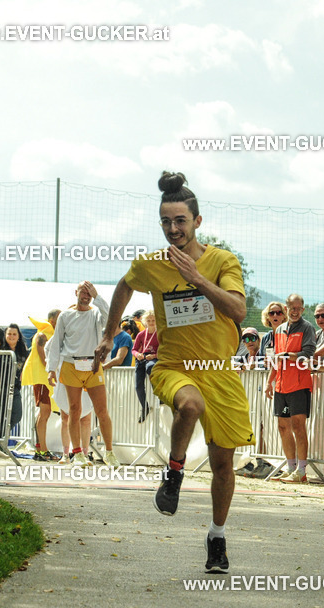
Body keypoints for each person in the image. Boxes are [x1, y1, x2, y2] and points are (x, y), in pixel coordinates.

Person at [93, 171, 254, 574]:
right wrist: (110, 334)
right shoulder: (151, 264)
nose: (172, 229)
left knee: (223, 466)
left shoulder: (221, 261)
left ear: (197, 222)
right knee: (189, 405)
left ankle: (217, 537)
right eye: (165, 222)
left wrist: (196, 279)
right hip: (174, 366)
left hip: (220, 371)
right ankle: (175, 473)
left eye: (180, 221)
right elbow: (123, 287)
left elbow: (237, 310)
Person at [48, 281, 117, 467]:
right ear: (76, 293)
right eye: (83, 292)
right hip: (71, 364)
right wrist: (51, 369)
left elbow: (112, 318)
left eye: (89, 292)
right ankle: (77, 453)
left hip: (93, 364)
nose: (86, 295)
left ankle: (109, 452)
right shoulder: (65, 315)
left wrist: (98, 296)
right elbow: (56, 343)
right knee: (74, 410)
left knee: (102, 410)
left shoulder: (96, 313)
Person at [265, 293, 317, 483]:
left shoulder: (307, 327)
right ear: (286, 309)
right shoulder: (278, 330)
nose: (294, 311)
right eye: (291, 308)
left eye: (298, 308)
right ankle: (290, 467)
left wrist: (289, 355)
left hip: (299, 384)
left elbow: (309, 353)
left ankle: (302, 472)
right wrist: (269, 382)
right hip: (281, 384)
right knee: (282, 427)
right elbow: (276, 359)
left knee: (298, 427)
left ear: (303, 309)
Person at [23, 311, 60, 461]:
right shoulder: (42, 335)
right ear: (52, 320)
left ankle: (42, 449)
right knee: (44, 413)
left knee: (45, 413)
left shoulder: (50, 334)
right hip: (42, 379)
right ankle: (42, 451)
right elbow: (43, 357)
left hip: (46, 379)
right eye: (59, 318)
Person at [132, 310, 159, 422]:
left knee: (150, 368)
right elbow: (133, 349)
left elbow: (165, 350)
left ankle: (159, 393)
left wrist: (154, 356)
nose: (151, 322)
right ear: (145, 322)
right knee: (138, 385)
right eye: (149, 320)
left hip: (154, 358)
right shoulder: (141, 334)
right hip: (142, 358)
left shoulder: (159, 333)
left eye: (153, 320)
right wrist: (138, 354)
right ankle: (144, 407)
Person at [4, 323, 30, 443]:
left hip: (15, 388)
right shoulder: (1, 349)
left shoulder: (23, 350)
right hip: (1, 387)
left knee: (17, 415)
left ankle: (3, 437)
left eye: (14, 334)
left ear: (19, 336)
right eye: (9, 334)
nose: (12, 336)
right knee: (0, 416)